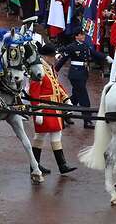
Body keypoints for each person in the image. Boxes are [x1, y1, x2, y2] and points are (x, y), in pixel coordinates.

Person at [29, 44, 76, 176]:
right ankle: (42, 165)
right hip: (45, 108)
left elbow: (57, 85)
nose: (54, 59)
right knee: (45, 135)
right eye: (52, 56)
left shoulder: (49, 67)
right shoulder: (38, 69)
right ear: (45, 56)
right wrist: (37, 110)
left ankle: (53, 165)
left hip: (54, 106)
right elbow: (34, 91)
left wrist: (66, 98)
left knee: (50, 135)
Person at [55, 27, 105, 129]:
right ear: (76, 36)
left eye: (83, 34)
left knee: (75, 97)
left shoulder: (85, 46)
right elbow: (63, 59)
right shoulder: (72, 47)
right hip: (75, 74)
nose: (83, 36)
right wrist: (55, 70)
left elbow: (94, 54)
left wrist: (106, 58)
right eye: (81, 34)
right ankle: (87, 121)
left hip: (83, 73)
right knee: (84, 98)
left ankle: (64, 113)